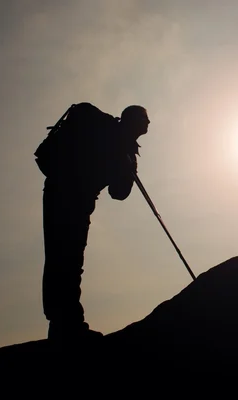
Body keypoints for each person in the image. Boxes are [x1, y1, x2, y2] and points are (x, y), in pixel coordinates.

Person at [34, 103, 150, 344]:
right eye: (144, 119)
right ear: (134, 120)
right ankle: (64, 324)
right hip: (64, 196)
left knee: (69, 259)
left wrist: (129, 168)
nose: (148, 124)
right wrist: (125, 164)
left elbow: (118, 193)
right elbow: (116, 191)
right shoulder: (109, 134)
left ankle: (64, 323)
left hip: (76, 200)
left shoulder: (124, 146)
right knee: (63, 257)